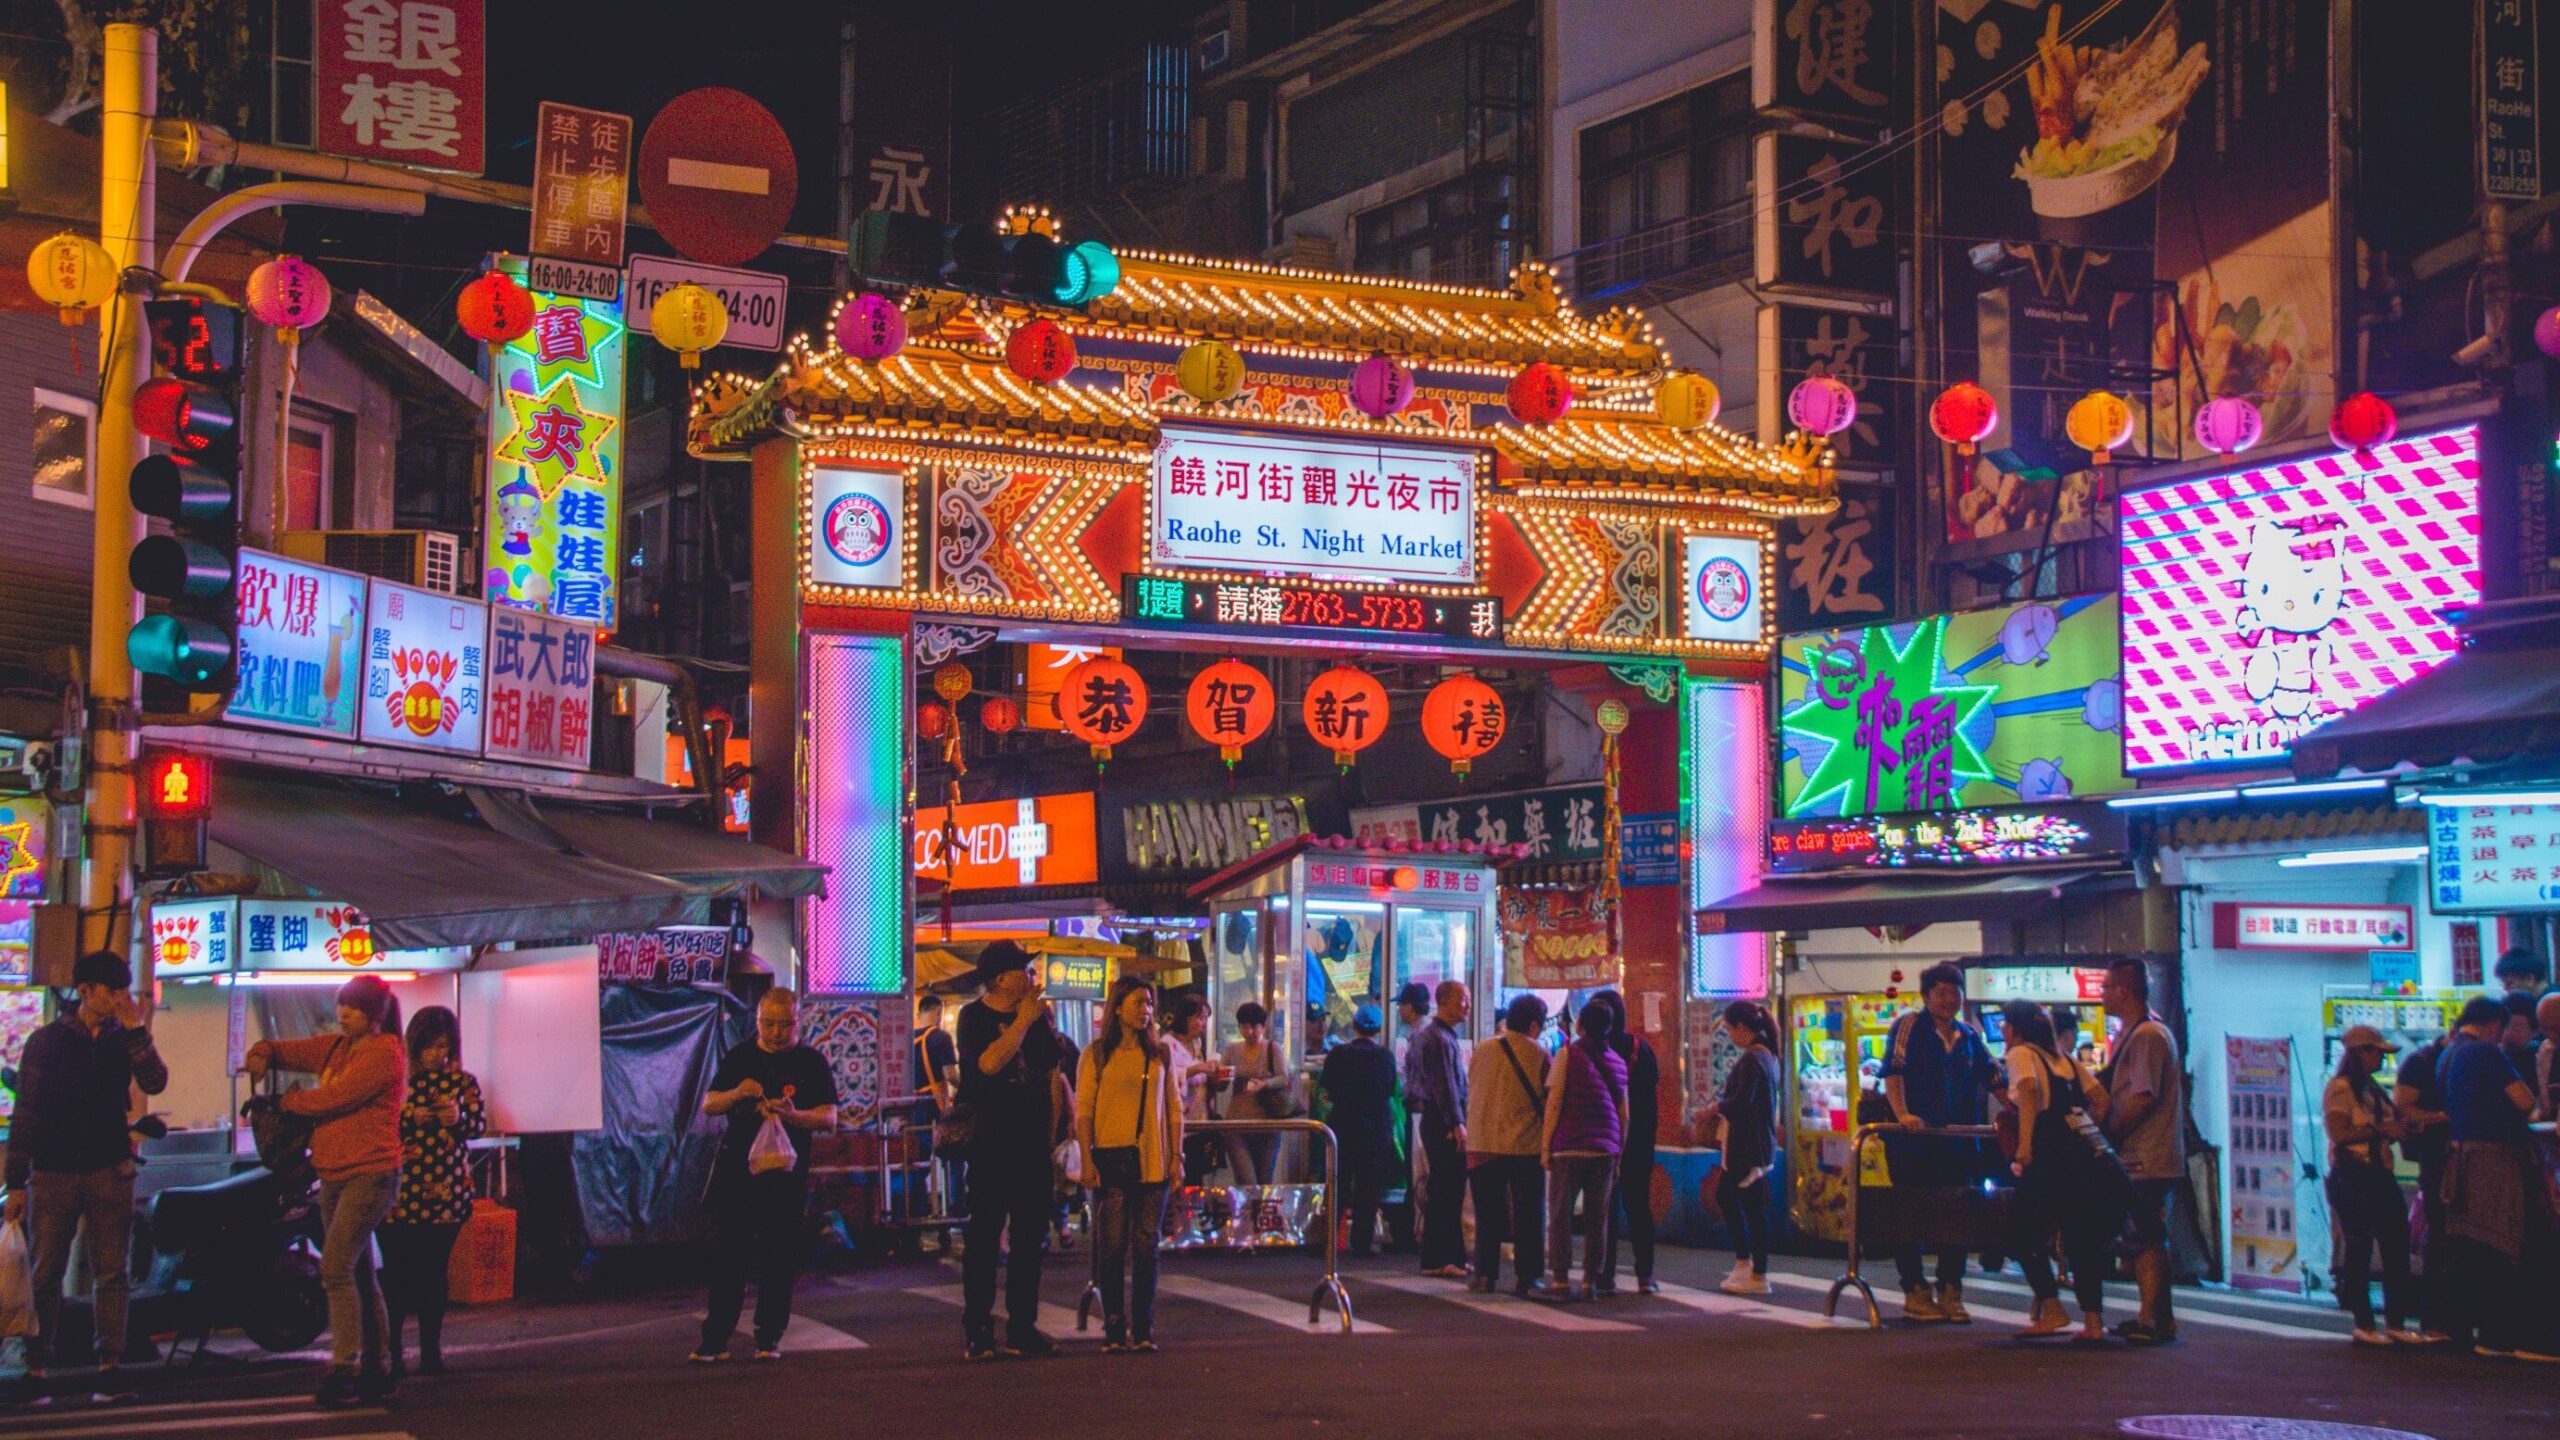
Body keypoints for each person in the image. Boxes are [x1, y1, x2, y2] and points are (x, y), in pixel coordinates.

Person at [3, 950, 167, 1396]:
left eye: (122, 992)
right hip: (54, 1170)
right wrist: (15, 1182)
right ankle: (36, 1366)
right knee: (45, 1270)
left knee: (112, 1271)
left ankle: (109, 1363)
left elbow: (155, 1082)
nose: (118, 1000)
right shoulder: (47, 1041)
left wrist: (136, 1031)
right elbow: (27, 1113)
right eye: (110, 991)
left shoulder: (125, 1037)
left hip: (110, 1167)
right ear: (85, 991)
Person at [246, 975, 409, 1407]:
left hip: (371, 1173)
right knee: (357, 1271)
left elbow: (336, 1098)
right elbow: (288, 1050)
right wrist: (262, 1052)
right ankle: (379, 1365)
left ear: (374, 1015)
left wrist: (286, 1102)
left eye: (352, 1009)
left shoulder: (385, 1053)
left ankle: (344, 1368)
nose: (343, 1015)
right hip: (333, 1173)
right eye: (341, 1007)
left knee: (335, 1266)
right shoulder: (338, 1047)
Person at [687, 989, 837, 1364]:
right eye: (767, 1024)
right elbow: (709, 1103)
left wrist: (794, 1116)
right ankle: (715, 1339)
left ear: (797, 1021)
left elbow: (830, 1118)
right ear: (756, 1021)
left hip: (786, 1177)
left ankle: (769, 1336)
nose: (774, 1032)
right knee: (729, 1254)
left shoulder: (811, 1062)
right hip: (739, 1174)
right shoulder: (740, 1057)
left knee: (779, 1256)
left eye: (783, 1024)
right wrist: (738, 1092)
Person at [954, 941, 1068, 1359]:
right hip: (989, 1144)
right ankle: (978, 1329)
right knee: (984, 1237)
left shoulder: (1039, 1018)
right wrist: (1022, 1021)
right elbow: (987, 1064)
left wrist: (1054, 1134)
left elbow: (1052, 1074)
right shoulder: (974, 1017)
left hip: (1032, 1144)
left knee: (1029, 1239)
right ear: (1001, 978)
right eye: (1024, 970)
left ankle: (1023, 1326)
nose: (1031, 977)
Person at [1879, 963, 2000, 1323]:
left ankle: (1951, 1290)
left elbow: (1994, 1076)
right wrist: (1903, 1114)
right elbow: (1893, 1072)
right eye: (1942, 992)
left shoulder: (1969, 1036)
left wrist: (2019, 1111)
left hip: (1957, 1143)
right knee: (1911, 1213)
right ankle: (1915, 1290)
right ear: (1926, 996)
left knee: (1957, 1213)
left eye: (1955, 992)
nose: (1950, 999)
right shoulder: (1908, 1026)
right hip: (1913, 1143)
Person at [1999, 1000, 2121, 1343]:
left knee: (2019, 1234)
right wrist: (2080, 1131)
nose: (2003, 1031)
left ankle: (2052, 1308)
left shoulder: (2021, 1054)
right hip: (2080, 1158)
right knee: (2081, 1236)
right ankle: (2094, 1323)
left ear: (2015, 1028)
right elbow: (2101, 1099)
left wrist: (2025, 1146)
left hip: (2047, 1155)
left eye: (2005, 1024)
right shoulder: (2064, 1059)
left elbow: (2028, 1092)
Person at [2436, 994, 2550, 1359]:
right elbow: (2523, 1101)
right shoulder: (2485, 1052)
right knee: (2501, 1240)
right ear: (2493, 1025)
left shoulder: (2448, 1054)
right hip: (2492, 1159)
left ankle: (2473, 1327)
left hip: (2460, 1156)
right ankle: (2497, 1333)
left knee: (2473, 1244)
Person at [379, 1006, 487, 1377]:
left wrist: (458, 1118)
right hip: (398, 1190)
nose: (436, 1054)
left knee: (432, 1270)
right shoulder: (397, 1082)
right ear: (414, 1045)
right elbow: (378, 1123)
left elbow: (477, 1126)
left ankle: (430, 1350)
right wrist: (410, 1117)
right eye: (428, 1046)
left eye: (443, 1046)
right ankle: (390, 1351)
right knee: (396, 1272)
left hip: (447, 1193)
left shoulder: (463, 1082)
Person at [1075, 978, 1182, 1353]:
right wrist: (1087, 1160)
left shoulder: (1160, 1054)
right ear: (1117, 1007)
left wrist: (1176, 1156)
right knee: (1113, 1245)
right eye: (1138, 1002)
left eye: (1149, 1003)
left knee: (1146, 1244)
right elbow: (1083, 1111)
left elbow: (1173, 1110)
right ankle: (1114, 1328)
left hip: (1153, 1161)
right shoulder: (1096, 1055)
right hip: (1112, 1159)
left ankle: (1144, 1327)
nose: (1146, 1009)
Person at [2098, 958, 2186, 1345]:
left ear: (2123, 991)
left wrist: (2111, 1132)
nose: (2102, 995)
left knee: (2146, 1236)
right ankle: (2158, 1317)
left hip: (2146, 1154)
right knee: (2145, 1234)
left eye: (2105, 988)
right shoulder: (2138, 1033)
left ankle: (2152, 1317)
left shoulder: (2148, 1036)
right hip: (2145, 1153)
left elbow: (2143, 1096)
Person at [2324, 1024, 2414, 1345]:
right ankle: (2364, 1322)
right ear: (2359, 1053)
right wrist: (2381, 1130)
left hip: (2380, 1173)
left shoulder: (2373, 1089)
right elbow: (2339, 1133)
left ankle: (2396, 1322)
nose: (2381, 1059)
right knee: (2359, 1247)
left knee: (2396, 1246)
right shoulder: (2341, 1089)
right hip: (2354, 1175)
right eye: (2376, 1052)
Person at [1542, 1000, 1628, 1303]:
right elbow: (1624, 1114)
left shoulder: (1567, 1055)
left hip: (1569, 1146)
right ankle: (1591, 1280)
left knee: (1561, 1215)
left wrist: (1545, 1147)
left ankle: (1561, 1280)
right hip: (1605, 1150)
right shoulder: (1618, 1062)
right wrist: (1618, 1152)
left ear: (1579, 1026)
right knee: (1597, 1218)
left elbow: (1554, 1103)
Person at [1463, 995, 1549, 1294]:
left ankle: (1484, 1274)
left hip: (1481, 1141)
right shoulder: (1538, 1054)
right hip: (1524, 1145)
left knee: (1488, 1213)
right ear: (1534, 1025)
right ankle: (1529, 1276)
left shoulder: (1481, 1050)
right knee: (1528, 1213)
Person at [1697, 1001, 1782, 1294]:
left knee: (1734, 1200)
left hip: (1746, 1145)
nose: (1730, 1035)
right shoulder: (1768, 1056)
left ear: (1742, 1028)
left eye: (1730, 1029)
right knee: (1751, 1206)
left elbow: (1741, 1103)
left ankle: (1751, 1269)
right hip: (1760, 1144)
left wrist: (1714, 1108)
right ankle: (1752, 1271)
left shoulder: (1751, 1060)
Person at [1590, 990, 1661, 1295]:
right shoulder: (1640, 1049)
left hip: (1603, 1137)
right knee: (1638, 1207)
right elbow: (1652, 1097)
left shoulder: (1590, 1051)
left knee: (1604, 1208)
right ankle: (1645, 1275)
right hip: (1639, 1142)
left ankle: (1604, 1276)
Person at [1318, 1002, 1398, 1258]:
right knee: (1368, 1186)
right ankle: (1362, 1242)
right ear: (1378, 1029)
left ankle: (1329, 1239)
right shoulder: (1385, 1057)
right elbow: (1389, 1089)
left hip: (1343, 1125)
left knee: (1338, 1182)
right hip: (1375, 1128)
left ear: (1354, 1026)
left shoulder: (1338, 1054)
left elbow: (1327, 1088)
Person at [1404, 979, 1472, 1277]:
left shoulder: (1432, 1036)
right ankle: (1443, 1258)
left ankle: (1444, 1257)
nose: (1466, 1006)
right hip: (1442, 1119)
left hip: (1435, 1118)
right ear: (1443, 1002)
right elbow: (1445, 1085)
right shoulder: (1440, 1040)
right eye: (1462, 1000)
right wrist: (1457, 1123)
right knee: (1448, 1188)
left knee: (1444, 1188)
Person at [1221, 1002, 1292, 1184]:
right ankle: (1245, 1212)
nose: (1249, 1032)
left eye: (1254, 1026)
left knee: (1264, 1179)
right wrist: (1219, 1078)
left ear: (1263, 1026)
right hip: (1236, 1123)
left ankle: (1261, 1212)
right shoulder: (1231, 1050)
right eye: (1244, 1027)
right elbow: (1222, 1083)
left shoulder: (1272, 1048)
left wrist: (1265, 1084)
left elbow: (1283, 1077)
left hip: (1267, 1123)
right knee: (1246, 1180)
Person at [912, 992, 963, 1228]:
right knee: (953, 1158)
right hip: (936, 1107)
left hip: (912, 1107)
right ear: (937, 1012)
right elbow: (950, 1076)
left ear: (919, 1013)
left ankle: (917, 1209)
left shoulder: (907, 1039)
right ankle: (956, 1209)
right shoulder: (940, 1038)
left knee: (918, 1162)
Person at [1160, 992, 1222, 1184]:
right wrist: (1199, 1068)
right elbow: (1166, 1081)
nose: (1203, 1024)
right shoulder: (1166, 1045)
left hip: (1199, 1124)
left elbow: (1202, 1082)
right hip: (1180, 1126)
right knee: (1181, 1181)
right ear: (1186, 1017)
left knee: (1196, 1182)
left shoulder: (1196, 1044)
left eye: (1205, 1019)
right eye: (1200, 1018)